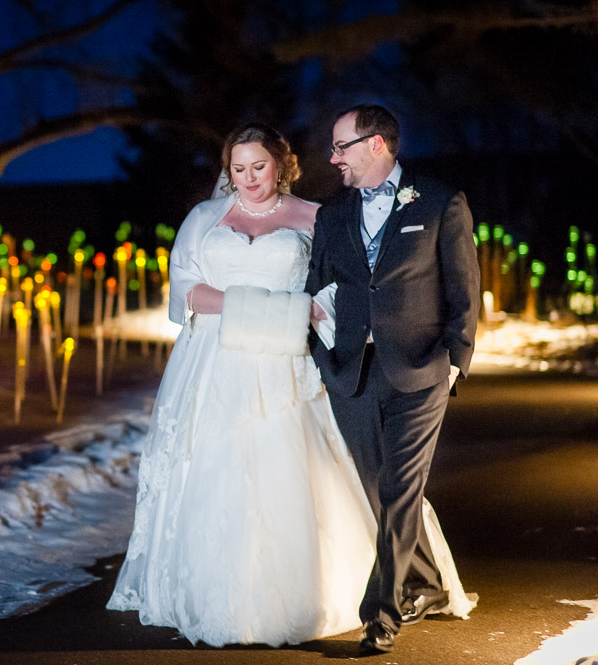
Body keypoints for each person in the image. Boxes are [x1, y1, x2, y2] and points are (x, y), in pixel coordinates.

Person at [107, 122, 472, 648]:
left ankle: (384, 586)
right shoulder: (204, 219)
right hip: (214, 363)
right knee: (216, 471)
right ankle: (216, 591)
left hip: (291, 361)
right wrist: (258, 310)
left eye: (260, 166)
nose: (249, 178)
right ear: (227, 171)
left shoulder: (318, 216)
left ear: (282, 165)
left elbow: (334, 284)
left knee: (312, 470)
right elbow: (184, 288)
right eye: (238, 169)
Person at [306, 104, 481, 654]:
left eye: (342, 147)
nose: (333, 159)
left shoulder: (440, 202)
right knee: (378, 492)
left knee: (401, 487)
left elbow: (464, 291)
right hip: (352, 373)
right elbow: (317, 290)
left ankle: (380, 613)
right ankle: (426, 582)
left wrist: (455, 360)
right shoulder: (331, 216)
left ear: (376, 144)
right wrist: (319, 350)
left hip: (422, 368)